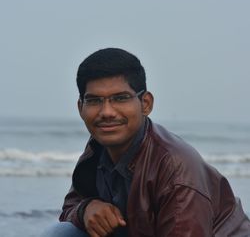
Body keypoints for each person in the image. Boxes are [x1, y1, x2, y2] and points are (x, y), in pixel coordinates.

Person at [42, 48, 250, 237]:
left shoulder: (176, 168)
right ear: (81, 108)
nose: (106, 112)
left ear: (146, 103)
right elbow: (71, 204)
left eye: (120, 98)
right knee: (59, 233)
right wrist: (86, 209)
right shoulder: (100, 145)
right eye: (94, 100)